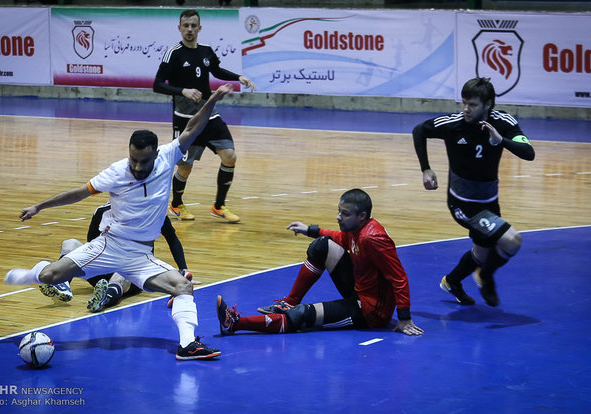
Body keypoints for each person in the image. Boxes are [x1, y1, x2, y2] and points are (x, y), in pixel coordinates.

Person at [5, 84, 234, 361]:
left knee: (183, 287)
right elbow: (79, 192)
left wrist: (212, 98)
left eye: (143, 161)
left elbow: (193, 128)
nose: (137, 167)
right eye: (133, 159)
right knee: (50, 276)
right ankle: (32, 275)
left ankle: (187, 346)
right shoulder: (116, 172)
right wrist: (39, 206)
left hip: (140, 255)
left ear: (155, 155)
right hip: (109, 245)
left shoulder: (168, 155)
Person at [216, 189, 424, 336]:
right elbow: (338, 237)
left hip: (370, 312)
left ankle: (234, 324)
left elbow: (399, 278)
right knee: (322, 244)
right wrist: (311, 230)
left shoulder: (373, 239)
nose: (338, 217)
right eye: (339, 211)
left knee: (301, 316)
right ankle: (290, 301)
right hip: (359, 290)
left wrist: (403, 317)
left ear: (362, 216)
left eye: (345, 214)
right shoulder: (356, 230)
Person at [412, 77, 535, 307]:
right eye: (464, 103)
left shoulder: (503, 122)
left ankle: (452, 282)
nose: (466, 109)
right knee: (511, 241)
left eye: (472, 105)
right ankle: (485, 277)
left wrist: (502, 141)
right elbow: (419, 130)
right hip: (462, 203)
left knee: (481, 255)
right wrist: (426, 169)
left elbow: (529, 153)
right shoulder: (453, 123)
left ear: (488, 105)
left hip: (489, 200)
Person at [153, 9, 256, 223]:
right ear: (179, 28)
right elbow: (157, 84)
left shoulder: (207, 51)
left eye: (193, 26)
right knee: (185, 166)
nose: (189, 29)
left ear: (199, 28)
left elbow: (216, 71)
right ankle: (176, 203)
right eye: (186, 26)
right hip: (185, 119)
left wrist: (239, 77)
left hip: (209, 114)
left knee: (230, 156)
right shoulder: (173, 53)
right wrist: (183, 90)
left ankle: (219, 206)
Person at [40, 201, 196, 313]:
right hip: (102, 270)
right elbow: (90, 246)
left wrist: (183, 269)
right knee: (70, 243)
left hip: (133, 274)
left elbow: (172, 239)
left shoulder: (153, 213)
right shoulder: (102, 212)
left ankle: (105, 299)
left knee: (122, 271)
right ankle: (63, 286)